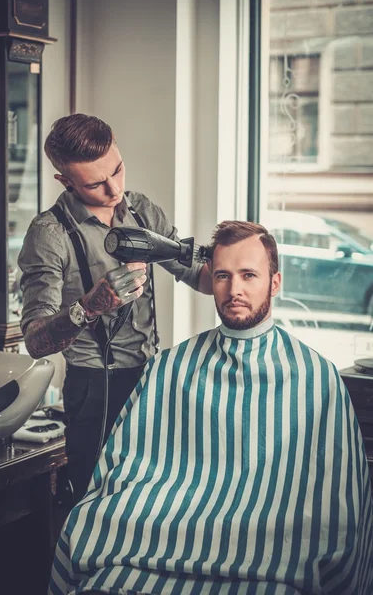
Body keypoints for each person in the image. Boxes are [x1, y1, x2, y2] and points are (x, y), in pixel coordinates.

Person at [49, 220, 373, 595]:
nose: (234, 289)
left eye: (249, 275)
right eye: (223, 276)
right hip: (157, 538)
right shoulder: (171, 366)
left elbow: (340, 506)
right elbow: (120, 470)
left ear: (275, 282)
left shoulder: (316, 377)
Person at [18, 114, 212, 504]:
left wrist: (240, 268)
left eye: (118, 170)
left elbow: (199, 276)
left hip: (150, 380)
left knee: (153, 499)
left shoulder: (142, 211)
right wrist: (88, 307)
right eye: (95, 183)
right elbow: (36, 341)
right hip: (93, 387)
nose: (114, 189)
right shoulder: (49, 235)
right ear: (65, 181)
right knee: (98, 502)